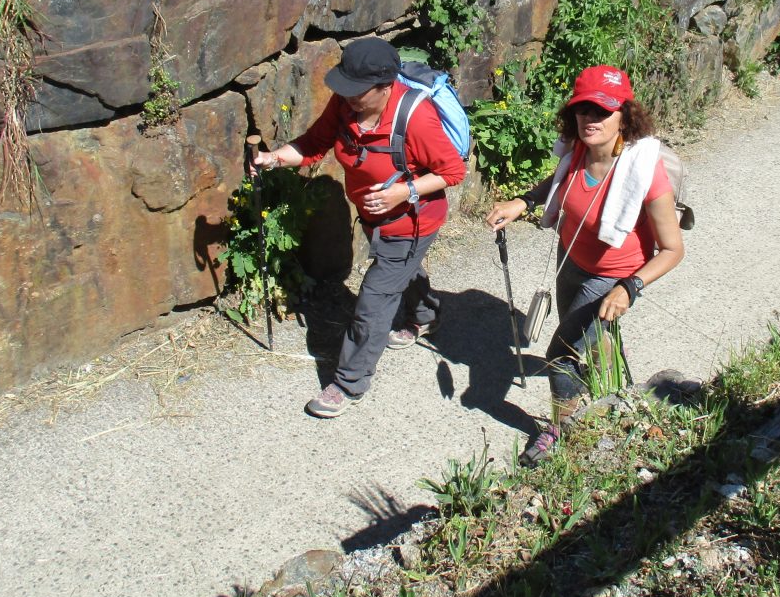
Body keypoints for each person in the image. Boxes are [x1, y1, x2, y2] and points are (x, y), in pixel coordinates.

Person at [252, 37, 467, 418]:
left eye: (357, 90)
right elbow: (314, 144)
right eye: (345, 87)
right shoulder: (346, 106)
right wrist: (275, 158)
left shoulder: (415, 118)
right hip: (373, 218)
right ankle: (427, 315)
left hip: (411, 223)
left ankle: (348, 383)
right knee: (401, 272)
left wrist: (402, 191)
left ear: (386, 86)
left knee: (373, 301)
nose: (347, 96)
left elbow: (453, 171)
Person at [485, 65, 685, 466]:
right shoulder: (578, 148)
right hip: (570, 259)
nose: (590, 119)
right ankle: (617, 394)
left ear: (624, 116)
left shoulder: (645, 173)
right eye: (582, 110)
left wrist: (629, 287)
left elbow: (672, 250)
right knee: (590, 343)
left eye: (602, 111)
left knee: (561, 354)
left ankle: (563, 430)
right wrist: (523, 200)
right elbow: (555, 183)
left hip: (613, 276)